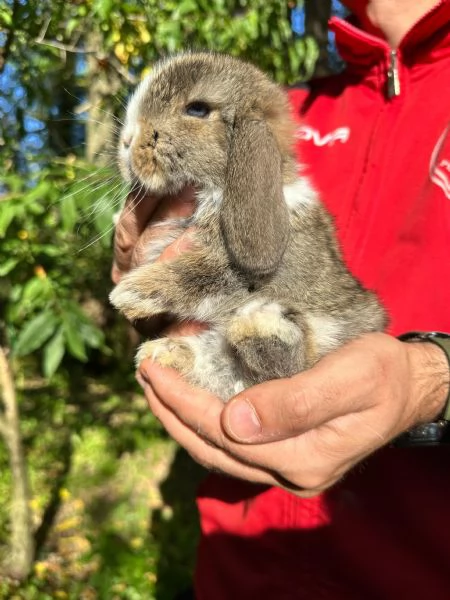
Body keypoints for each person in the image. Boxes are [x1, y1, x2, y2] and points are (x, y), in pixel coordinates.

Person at [112, 0, 450, 597]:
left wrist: (430, 379)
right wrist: (152, 299)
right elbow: (179, 297)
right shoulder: (295, 104)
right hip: (236, 569)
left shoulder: (251, 118)